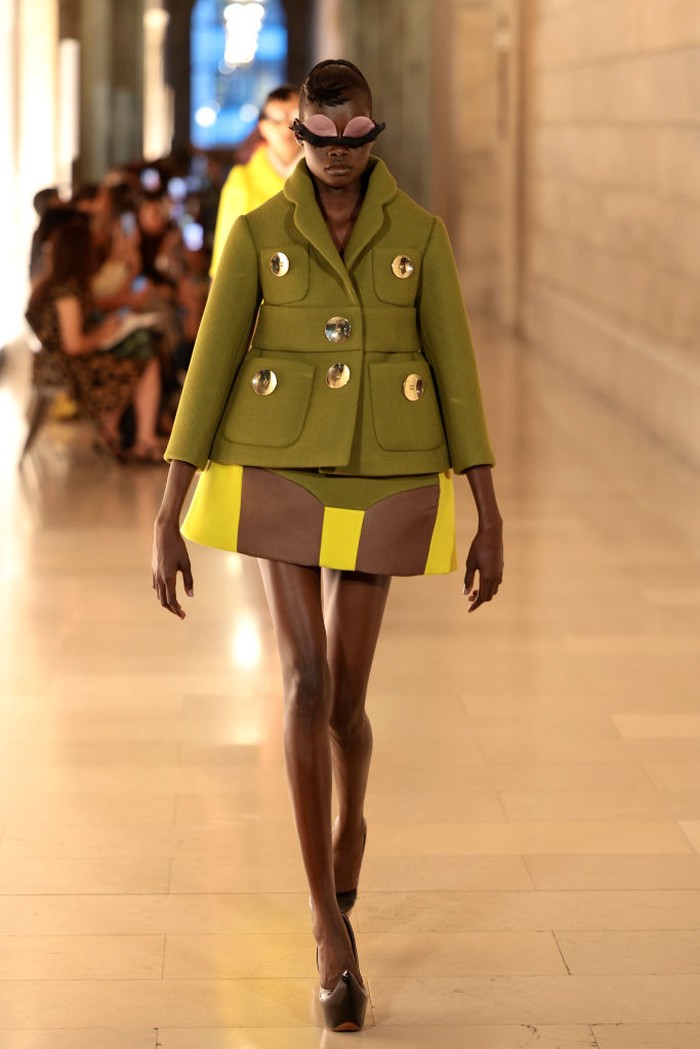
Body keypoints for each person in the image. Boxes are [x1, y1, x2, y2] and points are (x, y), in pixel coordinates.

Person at [152, 59, 503, 1031]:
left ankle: (354, 819)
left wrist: (487, 507)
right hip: (278, 466)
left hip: (386, 470)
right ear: (297, 138)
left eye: (355, 142)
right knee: (302, 682)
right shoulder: (259, 234)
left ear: (370, 138)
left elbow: (456, 369)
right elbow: (213, 363)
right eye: (321, 140)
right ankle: (326, 927)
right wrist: (168, 510)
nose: (338, 159)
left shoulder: (419, 238)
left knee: (347, 700)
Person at [26, 212, 164, 463]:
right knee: (146, 361)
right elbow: (74, 344)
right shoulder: (67, 291)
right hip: (72, 369)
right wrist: (104, 332)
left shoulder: (48, 286)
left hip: (54, 364)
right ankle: (138, 438)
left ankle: (116, 433)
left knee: (140, 354)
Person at [209, 84, 302, 277]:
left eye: (295, 118)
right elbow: (226, 251)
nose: (287, 127)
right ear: (264, 127)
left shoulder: (325, 176)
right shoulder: (242, 179)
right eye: (276, 120)